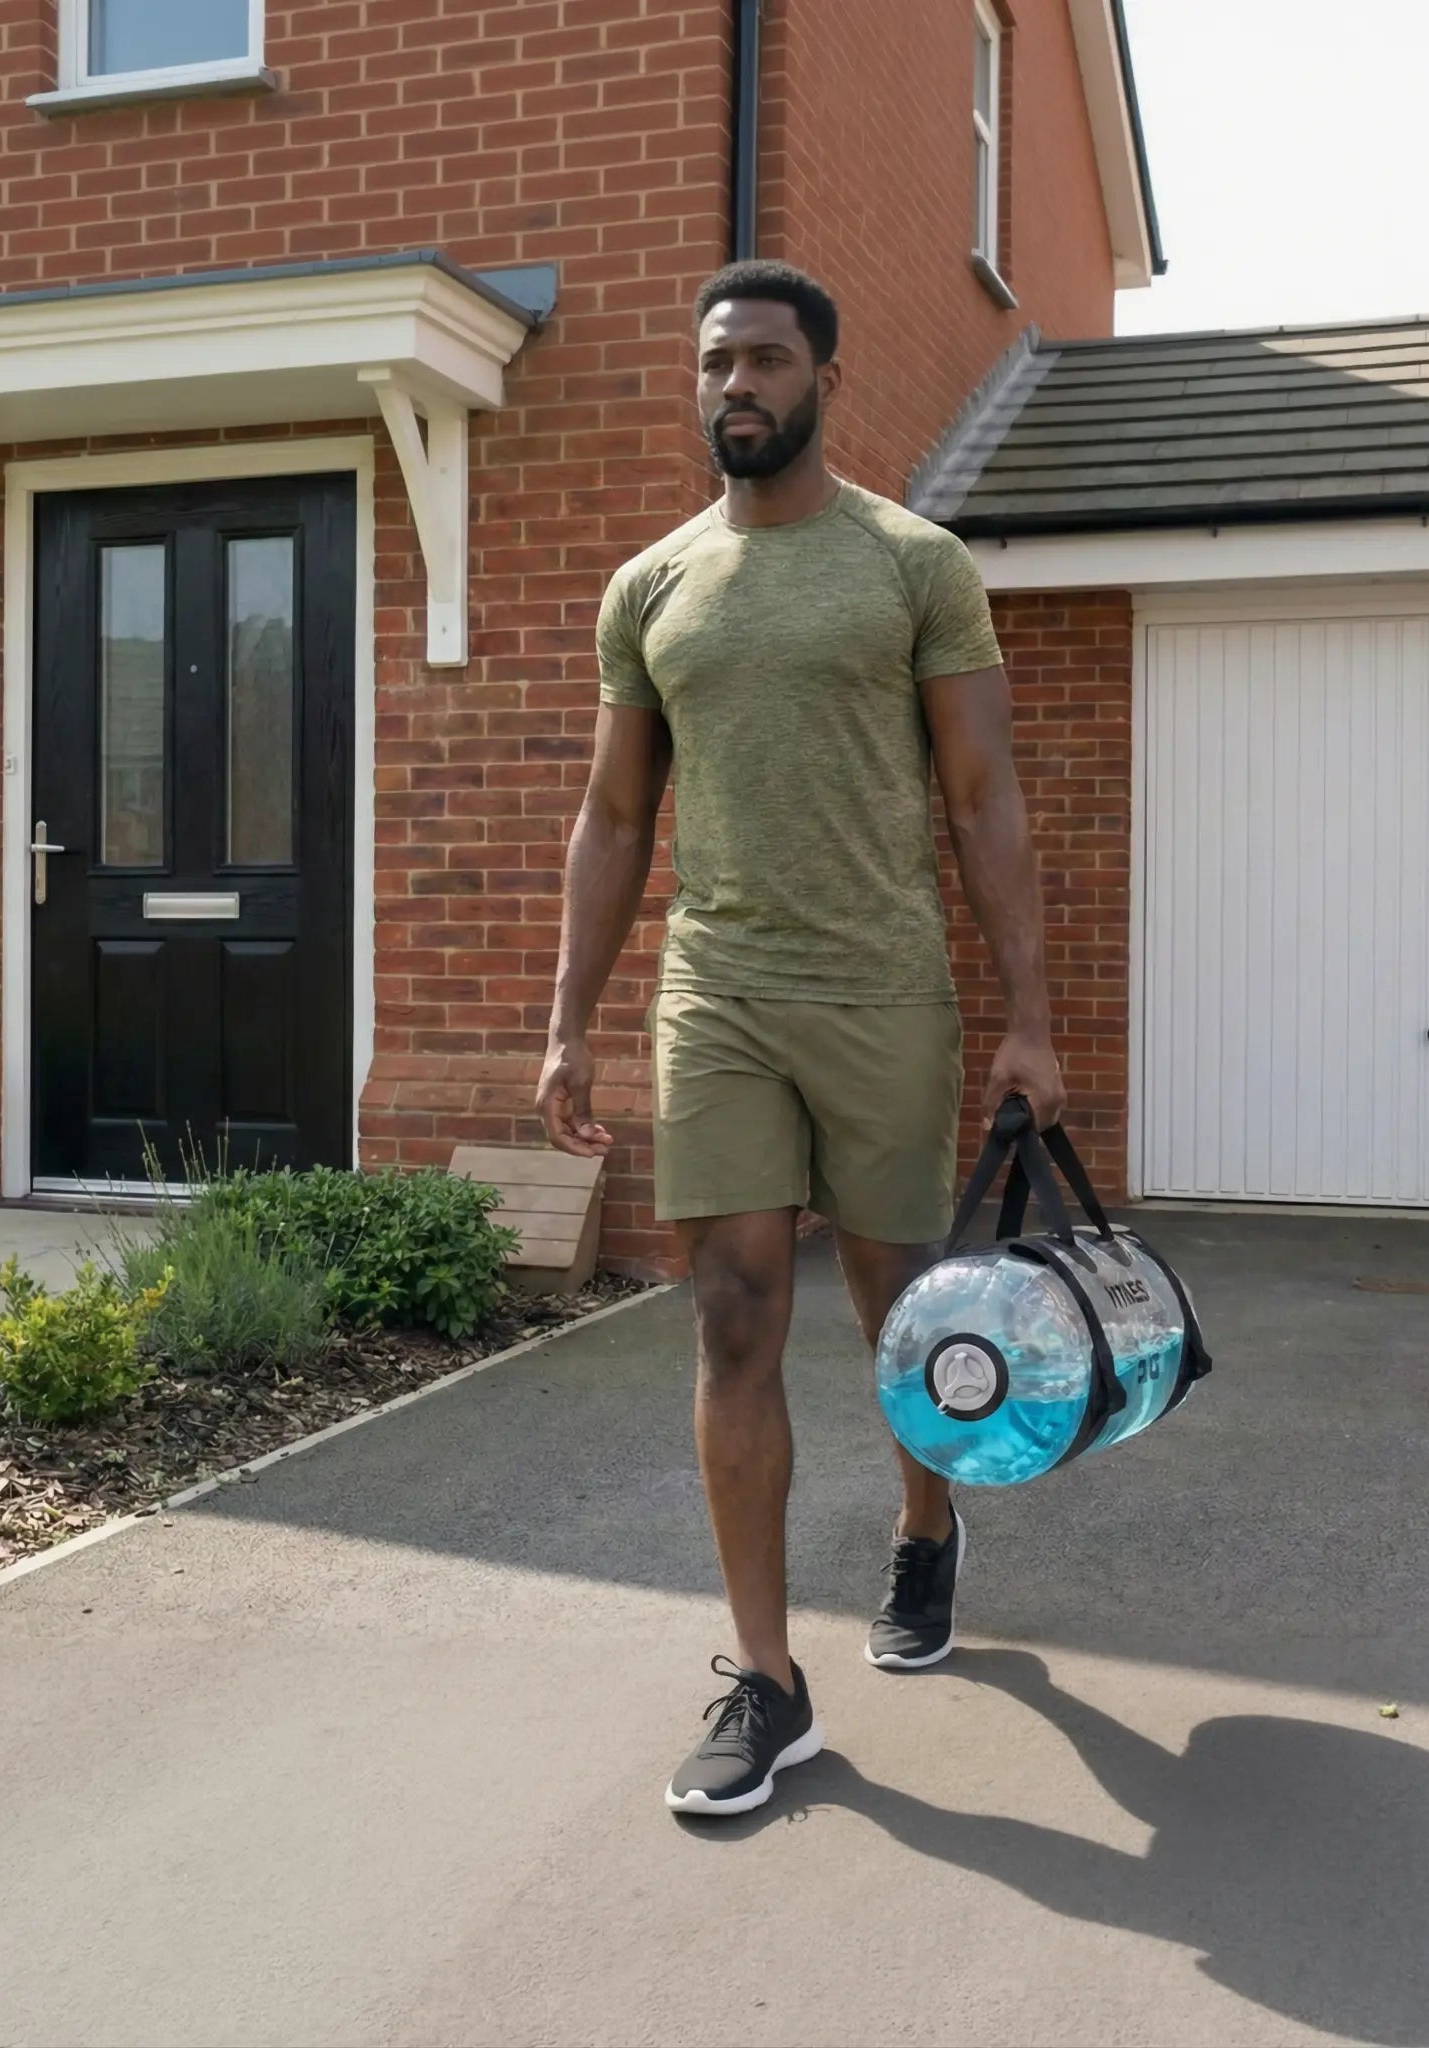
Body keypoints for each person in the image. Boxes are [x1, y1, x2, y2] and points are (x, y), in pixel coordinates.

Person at [536, 260, 1063, 1817]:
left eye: (765, 359)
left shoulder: (913, 565)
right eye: (715, 364)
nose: (736, 387)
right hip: (720, 992)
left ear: (821, 376)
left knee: (898, 1308)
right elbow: (616, 814)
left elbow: (983, 799)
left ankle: (924, 1524)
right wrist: (566, 1022)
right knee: (734, 1310)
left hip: (886, 986)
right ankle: (767, 1682)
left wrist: (1031, 1018)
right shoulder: (651, 587)